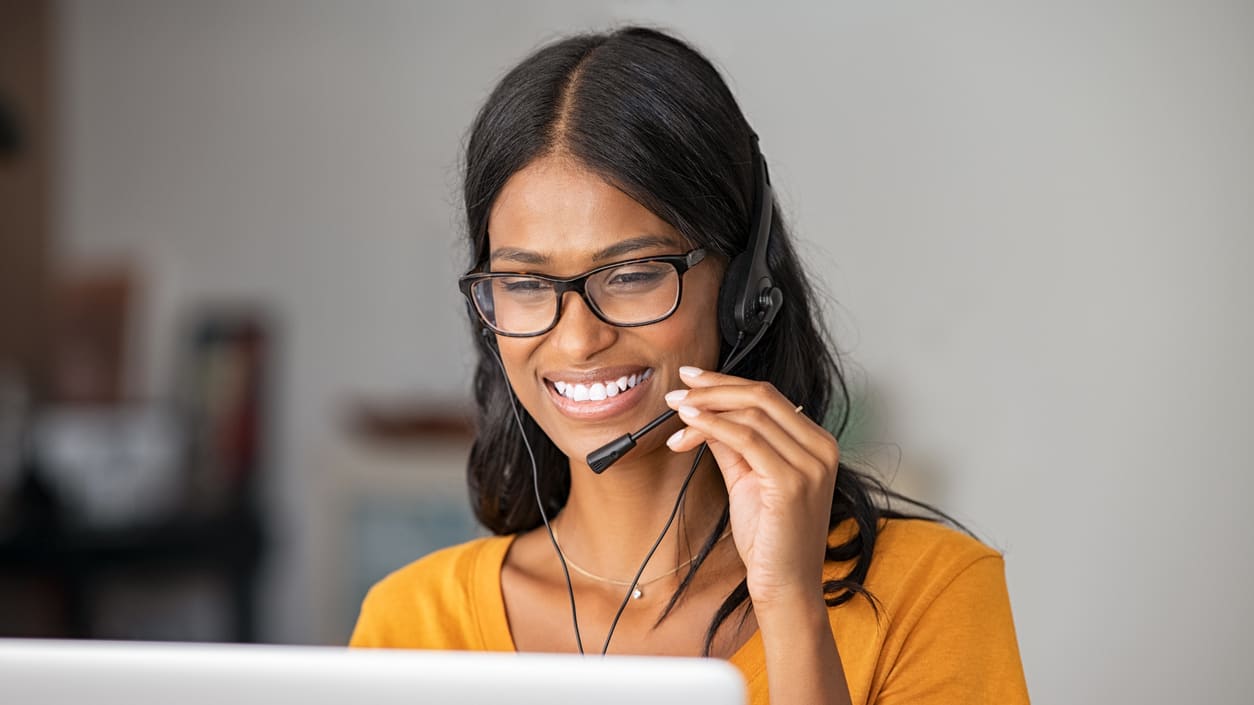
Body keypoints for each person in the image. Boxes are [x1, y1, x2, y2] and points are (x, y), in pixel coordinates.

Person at [350, 26, 1030, 705]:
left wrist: (792, 605)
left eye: (633, 274)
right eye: (526, 284)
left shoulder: (933, 592)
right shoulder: (410, 621)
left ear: (743, 289)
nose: (579, 339)